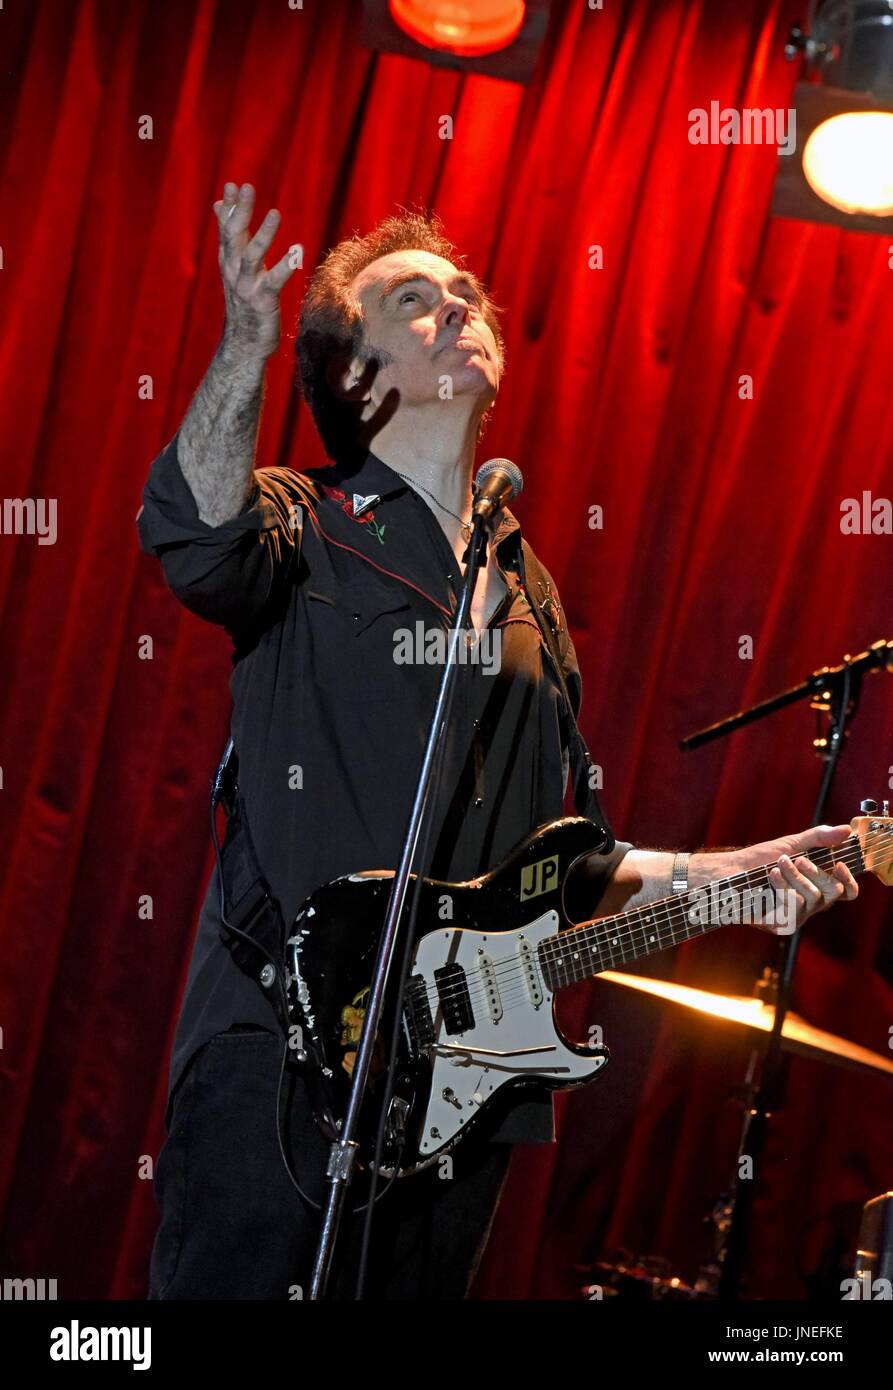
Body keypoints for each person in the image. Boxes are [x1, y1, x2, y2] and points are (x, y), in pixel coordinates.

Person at [136, 181, 858, 1301]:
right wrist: (245, 344)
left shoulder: (531, 595)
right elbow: (192, 534)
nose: (461, 303)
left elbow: (561, 872)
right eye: (416, 298)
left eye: (466, 291)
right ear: (354, 378)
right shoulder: (303, 518)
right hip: (279, 1061)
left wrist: (732, 881)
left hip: (466, 1085)